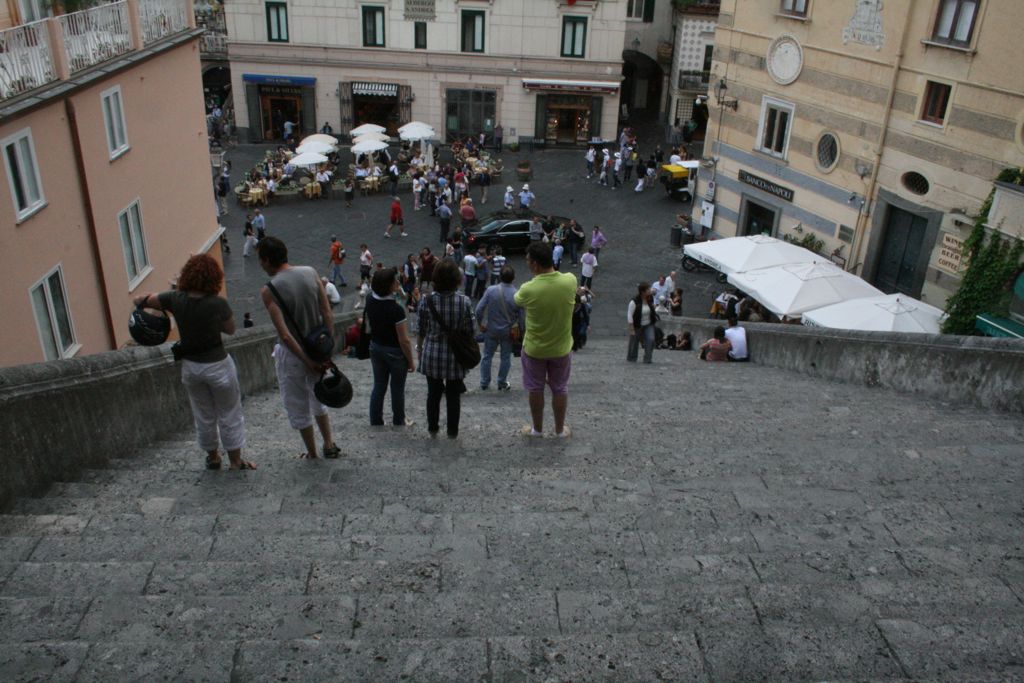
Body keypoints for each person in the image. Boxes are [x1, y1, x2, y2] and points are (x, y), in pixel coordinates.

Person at [133, 255, 255, 470]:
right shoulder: (218, 303)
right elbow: (230, 329)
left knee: (203, 414)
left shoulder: (174, 298)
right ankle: (235, 461)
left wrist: (149, 304)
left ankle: (213, 457)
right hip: (218, 364)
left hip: (191, 368)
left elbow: (139, 301)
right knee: (229, 413)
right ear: (214, 278)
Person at [258, 237, 341, 459]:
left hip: (293, 356)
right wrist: (326, 350)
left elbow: (284, 334)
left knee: (297, 403)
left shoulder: (269, 290)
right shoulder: (310, 272)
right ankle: (329, 443)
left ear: (266, 260)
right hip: (318, 347)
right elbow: (327, 312)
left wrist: (307, 361)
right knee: (319, 397)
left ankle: (312, 452)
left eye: (261, 261)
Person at [514, 242, 577, 438]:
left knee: (535, 388)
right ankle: (559, 430)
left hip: (535, 349)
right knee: (560, 388)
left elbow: (516, 301)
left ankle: (537, 429)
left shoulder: (528, 289)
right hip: (561, 348)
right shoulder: (570, 280)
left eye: (527, 260)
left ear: (534, 264)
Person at [417, 259, 474, 438]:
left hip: (432, 354)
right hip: (455, 356)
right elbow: (471, 330)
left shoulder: (426, 301)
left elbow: (421, 330)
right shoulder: (464, 302)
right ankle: (452, 431)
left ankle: (433, 428)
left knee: (433, 394)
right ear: (457, 280)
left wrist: (419, 351)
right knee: (453, 395)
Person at [365, 268, 416, 427]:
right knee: (397, 389)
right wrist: (411, 361)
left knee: (379, 385)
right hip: (394, 352)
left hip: (376, 347)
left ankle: (376, 420)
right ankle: (399, 420)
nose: (398, 283)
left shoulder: (369, 300)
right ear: (388, 286)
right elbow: (404, 340)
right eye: (395, 281)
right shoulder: (396, 310)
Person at [475, 265, 520, 392]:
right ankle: (501, 382)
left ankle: (484, 382)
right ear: (513, 278)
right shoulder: (517, 294)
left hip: (491, 329)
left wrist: (480, 324)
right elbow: (521, 317)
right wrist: (520, 331)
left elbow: (479, 310)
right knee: (505, 357)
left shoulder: (491, 290)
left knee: (487, 356)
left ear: (500, 276)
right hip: (508, 330)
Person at [626, 282, 658, 364]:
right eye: (648, 289)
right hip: (637, 324)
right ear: (643, 292)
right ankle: (632, 358)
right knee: (634, 342)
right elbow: (629, 315)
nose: (650, 290)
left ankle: (647, 358)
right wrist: (631, 328)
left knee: (651, 339)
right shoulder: (634, 301)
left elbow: (653, 302)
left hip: (648, 324)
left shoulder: (650, 299)